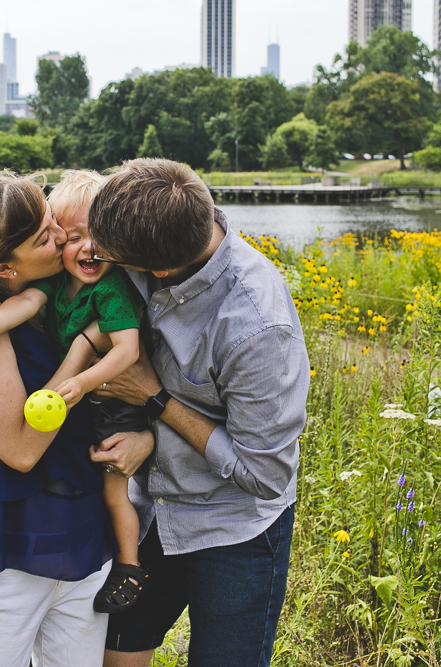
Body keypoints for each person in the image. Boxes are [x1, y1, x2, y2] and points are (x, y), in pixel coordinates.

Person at [0, 174, 153, 667]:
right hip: (9, 547)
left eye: (51, 220)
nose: (61, 236)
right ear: (3, 267)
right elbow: (21, 449)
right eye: (45, 235)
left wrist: (145, 436)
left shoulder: (64, 287)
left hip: (81, 534)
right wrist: (81, 350)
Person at [85, 159, 311, 667]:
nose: (96, 259)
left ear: (158, 270)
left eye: (109, 256)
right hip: (148, 513)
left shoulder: (256, 325)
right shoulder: (157, 219)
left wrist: (156, 401)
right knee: (111, 657)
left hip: (233, 529)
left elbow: (266, 473)